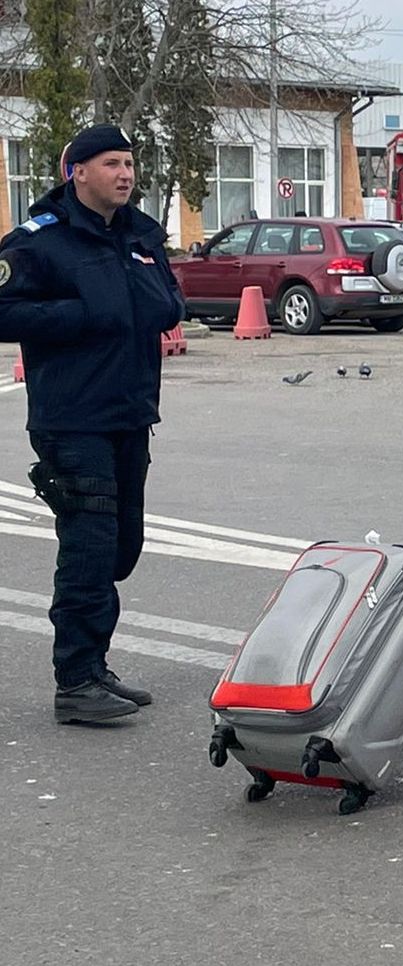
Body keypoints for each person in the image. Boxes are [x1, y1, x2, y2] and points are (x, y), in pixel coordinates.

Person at [0, 123, 184, 724]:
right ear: (76, 172)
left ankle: (94, 665)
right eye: (111, 163)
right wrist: (78, 314)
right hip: (71, 419)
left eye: (130, 164)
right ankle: (75, 680)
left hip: (130, 414)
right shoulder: (38, 242)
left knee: (121, 548)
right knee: (89, 545)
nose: (125, 174)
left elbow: (166, 303)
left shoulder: (140, 236)